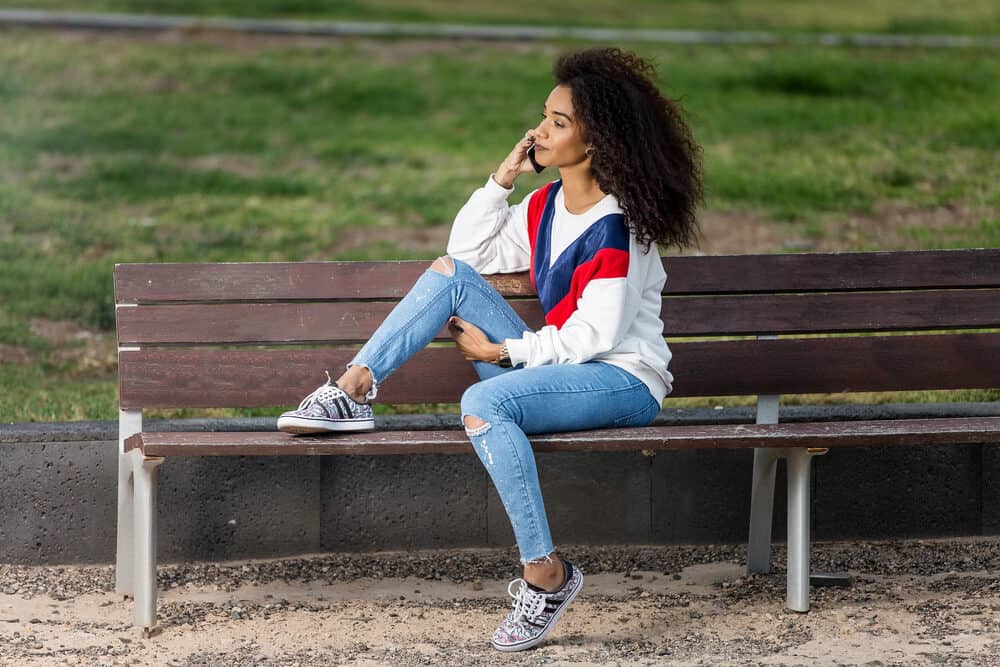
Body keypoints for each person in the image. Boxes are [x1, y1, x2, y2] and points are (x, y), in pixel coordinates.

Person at [277, 46, 703, 652]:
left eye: (559, 123)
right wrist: (503, 176)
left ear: (598, 139)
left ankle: (545, 577)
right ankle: (353, 388)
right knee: (449, 272)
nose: (539, 131)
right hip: (560, 368)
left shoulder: (617, 226)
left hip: (621, 381)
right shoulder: (547, 205)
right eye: (544, 117)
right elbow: (469, 251)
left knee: (484, 402)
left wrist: (504, 353)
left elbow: (598, 336)